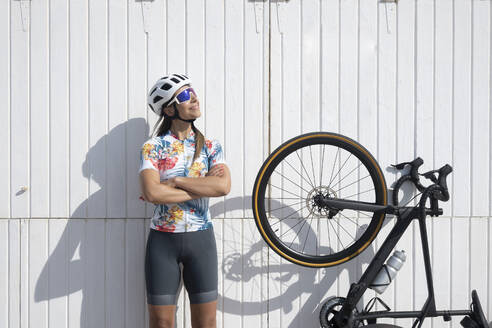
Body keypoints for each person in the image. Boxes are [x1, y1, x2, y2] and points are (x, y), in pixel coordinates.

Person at [139, 73, 231, 328]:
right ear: (169, 109)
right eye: (184, 95)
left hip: (201, 241)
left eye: (193, 92)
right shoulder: (153, 147)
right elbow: (152, 193)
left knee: (206, 323)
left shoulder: (211, 146)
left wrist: (175, 182)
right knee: (161, 323)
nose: (194, 98)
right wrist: (203, 186)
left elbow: (223, 186)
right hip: (162, 242)